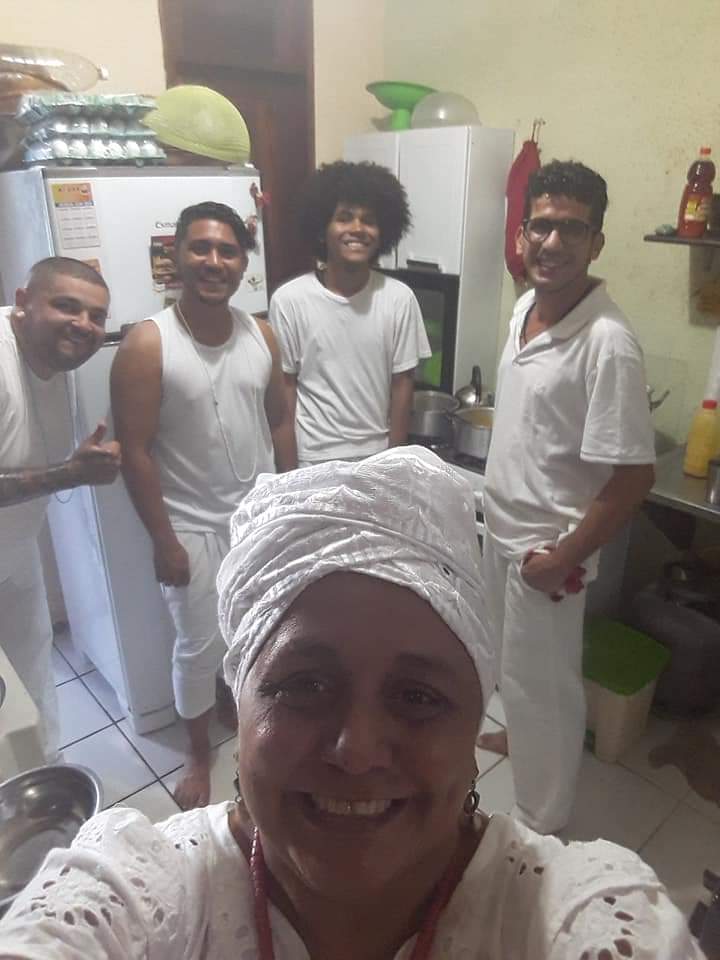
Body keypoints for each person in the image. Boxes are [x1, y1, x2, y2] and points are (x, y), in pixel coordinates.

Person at [0, 448, 700, 959]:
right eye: (303, 686)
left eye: (419, 696)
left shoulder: (562, 917)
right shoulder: (148, 891)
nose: (357, 752)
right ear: (239, 703)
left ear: (474, 723)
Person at [478, 160, 656, 835]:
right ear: (522, 233)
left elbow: (633, 478)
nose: (552, 243)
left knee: (544, 688)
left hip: (547, 552)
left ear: (596, 243)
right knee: (510, 670)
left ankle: (539, 822)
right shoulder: (525, 308)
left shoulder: (608, 343)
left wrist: (564, 557)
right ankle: (521, 742)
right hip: (501, 531)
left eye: (572, 230)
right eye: (542, 226)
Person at [111, 200, 296, 811]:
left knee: (258, 631)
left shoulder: (261, 334)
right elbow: (135, 451)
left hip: (258, 517)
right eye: (201, 248)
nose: (214, 261)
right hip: (190, 525)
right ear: (177, 257)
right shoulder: (148, 342)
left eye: (228, 251)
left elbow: (280, 421)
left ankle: (240, 714)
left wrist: (290, 501)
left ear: (243, 262)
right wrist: (164, 540)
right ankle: (197, 751)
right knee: (196, 646)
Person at [0, 256, 121, 762]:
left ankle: (44, 770)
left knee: (31, 664)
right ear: (23, 302)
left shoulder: (58, 358)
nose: (84, 325)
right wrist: (69, 474)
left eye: (96, 316)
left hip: (15, 545)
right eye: (67, 306)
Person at [269, 160, 431, 466]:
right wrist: (288, 473)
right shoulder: (289, 301)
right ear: (322, 230)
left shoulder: (399, 299)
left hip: (376, 459)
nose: (357, 228)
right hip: (312, 459)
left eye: (369, 221)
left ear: (383, 232)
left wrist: (393, 466)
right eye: (344, 218)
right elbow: (285, 392)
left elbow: (403, 388)